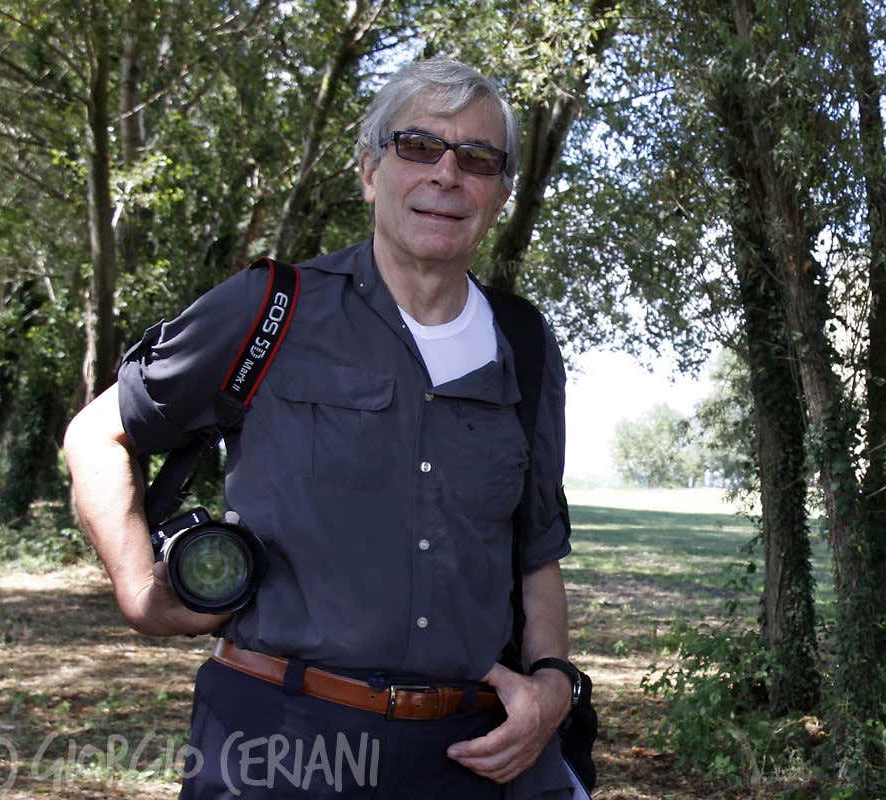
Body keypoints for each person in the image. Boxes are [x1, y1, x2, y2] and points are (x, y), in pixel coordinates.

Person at [63, 57, 579, 799]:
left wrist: (554, 681)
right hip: (278, 743)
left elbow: (535, 552)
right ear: (370, 170)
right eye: (417, 147)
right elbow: (97, 432)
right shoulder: (268, 309)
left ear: (500, 191)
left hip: (469, 755)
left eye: (477, 158)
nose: (446, 175)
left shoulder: (524, 345)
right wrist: (139, 588)